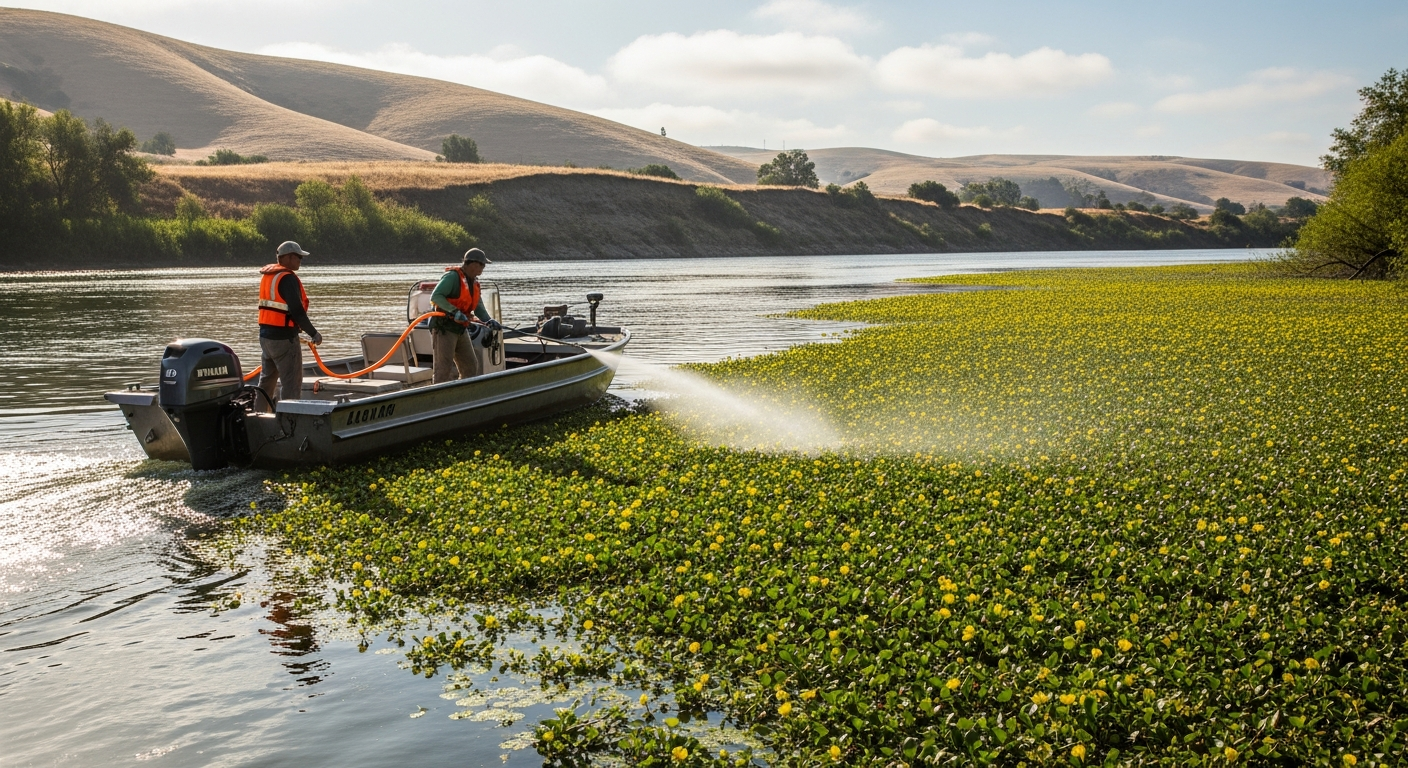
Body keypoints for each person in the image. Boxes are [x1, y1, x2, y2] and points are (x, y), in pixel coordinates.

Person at [256, 241, 321, 403]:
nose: (300, 260)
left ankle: (258, 418)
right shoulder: (288, 279)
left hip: (266, 338)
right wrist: (314, 333)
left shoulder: (269, 276)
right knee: (291, 384)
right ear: (288, 258)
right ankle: (289, 424)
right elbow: (297, 311)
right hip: (284, 339)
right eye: (298, 257)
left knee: (266, 382)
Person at [429, 248, 502, 384]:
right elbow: (436, 296)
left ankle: (463, 395)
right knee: (443, 369)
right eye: (482, 265)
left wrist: (489, 320)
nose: (483, 268)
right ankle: (437, 400)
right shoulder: (452, 277)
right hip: (444, 328)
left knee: (470, 365)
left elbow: (479, 308)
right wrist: (454, 311)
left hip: (460, 329)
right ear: (474, 264)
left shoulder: (474, 283)